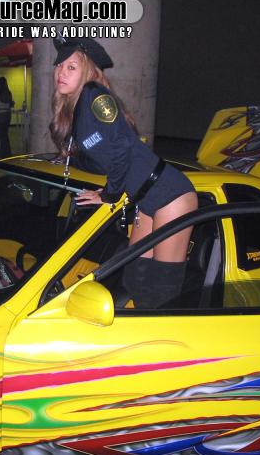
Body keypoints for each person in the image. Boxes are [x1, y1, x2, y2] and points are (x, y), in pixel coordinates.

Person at [50, 37, 198, 308]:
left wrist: (109, 194)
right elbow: (104, 159)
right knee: (135, 278)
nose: (61, 72)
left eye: (71, 67)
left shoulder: (94, 94)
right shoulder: (77, 111)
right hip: (144, 198)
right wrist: (69, 162)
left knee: (163, 287)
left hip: (169, 194)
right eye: (59, 65)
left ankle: (167, 334)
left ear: (88, 71)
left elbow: (121, 148)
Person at [0, 76, 14, 159]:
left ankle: (3, 153)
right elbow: (11, 103)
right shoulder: (8, 92)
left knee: (1, 135)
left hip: (0, 114)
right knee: (5, 134)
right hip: (7, 114)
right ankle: (7, 152)